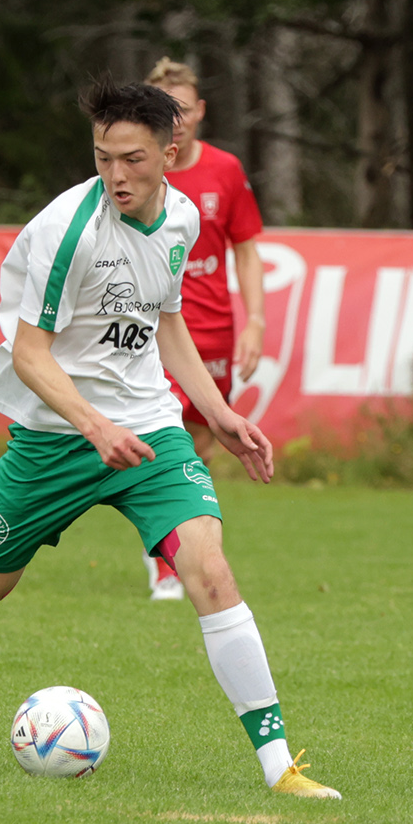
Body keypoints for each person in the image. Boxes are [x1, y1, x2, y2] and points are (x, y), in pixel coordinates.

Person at [0, 77, 339, 801]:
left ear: (170, 153)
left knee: (210, 571)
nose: (117, 174)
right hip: (56, 439)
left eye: (134, 159)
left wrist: (219, 415)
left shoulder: (180, 218)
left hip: (147, 431)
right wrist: (92, 424)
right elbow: (30, 354)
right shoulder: (66, 230)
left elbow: (164, 322)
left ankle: (279, 769)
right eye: (103, 156)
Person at [138, 58, 265, 600]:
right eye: (166, 110)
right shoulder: (140, 171)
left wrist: (255, 321)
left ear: (200, 111)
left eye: (184, 109)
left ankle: (181, 545)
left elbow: (247, 250)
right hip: (152, 327)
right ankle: (168, 560)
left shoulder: (226, 171)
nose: (177, 119)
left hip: (212, 327)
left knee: (205, 442)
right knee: (164, 439)